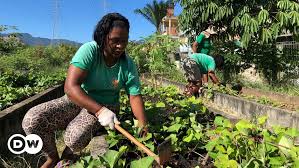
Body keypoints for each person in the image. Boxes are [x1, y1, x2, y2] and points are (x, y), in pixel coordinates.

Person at [22, 13, 148, 168]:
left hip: (108, 105)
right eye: (115, 41)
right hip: (79, 100)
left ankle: (68, 155)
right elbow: (70, 87)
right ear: (103, 37)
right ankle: (52, 157)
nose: (120, 46)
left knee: (74, 137)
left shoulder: (128, 64)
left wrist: (144, 128)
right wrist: (99, 111)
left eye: (124, 41)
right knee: (32, 120)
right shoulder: (90, 51)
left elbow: (134, 97)